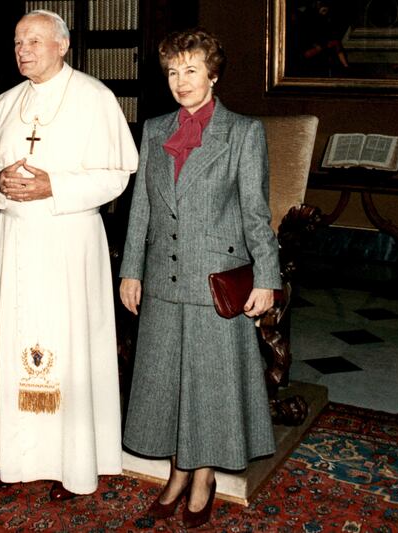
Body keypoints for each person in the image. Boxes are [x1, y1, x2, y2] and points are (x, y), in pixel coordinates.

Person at [0, 9, 138, 499]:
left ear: (62, 46)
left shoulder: (94, 97)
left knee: (69, 348)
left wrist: (54, 186)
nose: (23, 51)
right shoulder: (4, 103)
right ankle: (14, 456)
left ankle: (72, 464)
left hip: (69, 239)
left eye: (34, 41)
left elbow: (116, 175)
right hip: (15, 238)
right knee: (11, 342)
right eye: (18, 42)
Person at [119, 28, 280, 528]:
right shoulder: (154, 129)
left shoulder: (243, 132)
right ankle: (176, 471)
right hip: (162, 277)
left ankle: (202, 476)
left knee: (210, 386)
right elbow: (141, 209)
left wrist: (267, 277)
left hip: (215, 280)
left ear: (213, 74)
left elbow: (256, 212)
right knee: (166, 381)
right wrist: (130, 270)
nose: (180, 80)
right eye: (173, 71)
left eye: (191, 69)